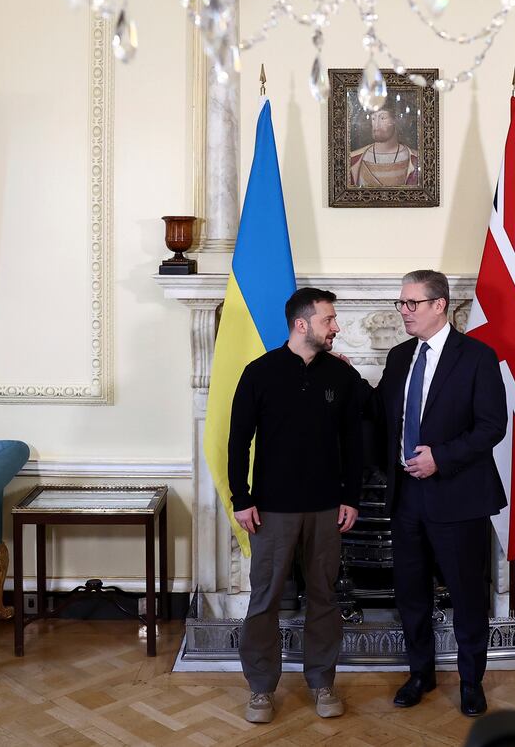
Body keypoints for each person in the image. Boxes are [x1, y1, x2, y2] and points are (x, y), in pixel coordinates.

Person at [368, 269, 507, 718]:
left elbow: (492, 425)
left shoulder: (477, 357)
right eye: (401, 303)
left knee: (467, 595)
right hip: (406, 497)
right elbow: (381, 414)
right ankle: (420, 673)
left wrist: (441, 458)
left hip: (459, 496)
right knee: (410, 593)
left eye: (412, 303)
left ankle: (470, 682)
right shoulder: (399, 356)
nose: (404, 311)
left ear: (439, 305)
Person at [227, 287, 364, 725]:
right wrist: (241, 498)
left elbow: (356, 442)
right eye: (329, 319)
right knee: (265, 600)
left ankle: (322, 682)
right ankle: (260, 690)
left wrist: (352, 497)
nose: (336, 327)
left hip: (327, 509)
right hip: (271, 510)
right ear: (302, 324)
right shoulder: (259, 373)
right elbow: (237, 441)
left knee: (324, 597)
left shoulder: (342, 377)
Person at [348, 107, 421, 186]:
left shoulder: (416, 159)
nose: (376, 125)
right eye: (373, 118)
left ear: (395, 121)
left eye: (382, 118)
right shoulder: (353, 159)